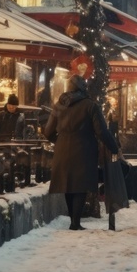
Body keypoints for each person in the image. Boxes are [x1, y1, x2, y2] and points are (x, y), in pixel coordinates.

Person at [45, 75, 119, 230]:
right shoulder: (90, 105)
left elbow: (48, 131)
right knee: (80, 185)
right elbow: (101, 131)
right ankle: (75, 222)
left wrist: (58, 141)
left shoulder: (59, 105)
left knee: (68, 184)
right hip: (83, 148)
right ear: (83, 88)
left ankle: (74, 220)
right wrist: (114, 147)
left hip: (62, 148)